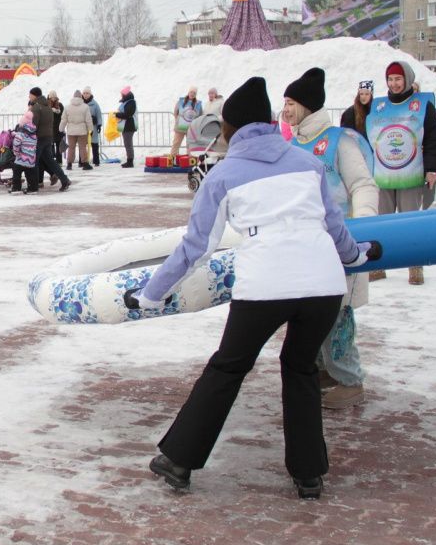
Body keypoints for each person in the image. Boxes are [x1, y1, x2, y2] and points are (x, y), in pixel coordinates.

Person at [128, 76, 371, 500]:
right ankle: (309, 474)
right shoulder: (308, 164)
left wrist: (153, 292)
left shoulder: (223, 175)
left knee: (228, 367)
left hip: (267, 287)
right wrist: (356, 257)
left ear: (229, 129)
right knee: (300, 370)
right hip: (323, 287)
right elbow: (336, 230)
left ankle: (179, 460)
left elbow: (195, 248)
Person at [281, 67, 379, 410]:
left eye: (291, 102)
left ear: (307, 106)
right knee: (311, 313)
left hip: (341, 243)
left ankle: (351, 381)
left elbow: (363, 185)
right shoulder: (293, 142)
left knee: (337, 314)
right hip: (306, 245)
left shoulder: (340, 141)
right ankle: (325, 371)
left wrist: (363, 226)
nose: (286, 109)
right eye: (285, 103)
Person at [366, 61, 436, 285]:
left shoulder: (422, 104)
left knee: (411, 222)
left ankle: (415, 266)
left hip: (411, 174)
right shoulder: (379, 106)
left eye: (398, 79)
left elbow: (433, 139)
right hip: (383, 175)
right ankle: (380, 265)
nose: (394, 83)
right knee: (383, 223)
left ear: (407, 79)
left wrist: (431, 169)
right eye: (390, 79)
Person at [29, 86, 70, 191]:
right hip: (48, 137)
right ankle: (64, 180)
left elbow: (33, 125)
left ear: (34, 95)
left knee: (34, 162)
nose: (29, 97)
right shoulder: (47, 106)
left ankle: (33, 186)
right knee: (50, 161)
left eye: (30, 95)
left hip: (39, 138)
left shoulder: (36, 107)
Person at [7, 111, 40, 193]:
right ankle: (32, 188)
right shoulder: (34, 134)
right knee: (29, 174)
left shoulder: (20, 134)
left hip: (21, 158)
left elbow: (16, 144)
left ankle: (16, 188)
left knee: (16, 172)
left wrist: (16, 153)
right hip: (31, 159)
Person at [63, 90, 93, 171]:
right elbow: (88, 119)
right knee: (82, 147)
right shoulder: (85, 107)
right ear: (81, 97)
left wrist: (61, 128)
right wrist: (91, 129)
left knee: (71, 148)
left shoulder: (67, 107)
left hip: (71, 131)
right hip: (82, 131)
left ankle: (69, 164)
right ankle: (85, 164)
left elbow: (64, 119)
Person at [169, 87, 202, 160]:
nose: (192, 94)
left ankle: (190, 160)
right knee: (176, 143)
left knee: (190, 144)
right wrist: (178, 120)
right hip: (180, 127)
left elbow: (200, 115)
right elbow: (175, 112)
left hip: (191, 128)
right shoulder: (181, 101)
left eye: (194, 93)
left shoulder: (198, 104)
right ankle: (172, 159)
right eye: (191, 92)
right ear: (188, 92)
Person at [115, 86, 138, 168]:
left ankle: (130, 161)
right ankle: (129, 160)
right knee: (127, 143)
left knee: (128, 144)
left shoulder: (131, 102)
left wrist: (117, 114)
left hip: (129, 125)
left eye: (122, 95)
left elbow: (127, 114)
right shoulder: (128, 102)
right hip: (126, 125)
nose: (121, 96)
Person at [81, 87, 103, 167]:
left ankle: (96, 161)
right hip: (83, 127)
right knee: (83, 144)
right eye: (84, 93)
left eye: (87, 93)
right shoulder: (81, 103)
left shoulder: (95, 104)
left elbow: (99, 114)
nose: (85, 95)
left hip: (92, 126)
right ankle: (82, 161)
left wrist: (99, 124)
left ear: (90, 94)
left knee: (94, 144)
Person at [47, 91, 65, 164]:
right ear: (50, 97)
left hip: (58, 128)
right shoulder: (47, 105)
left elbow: (62, 115)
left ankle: (59, 161)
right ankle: (51, 162)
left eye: (54, 97)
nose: (53, 98)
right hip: (49, 128)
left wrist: (57, 111)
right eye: (52, 97)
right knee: (50, 146)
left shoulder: (60, 105)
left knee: (58, 145)